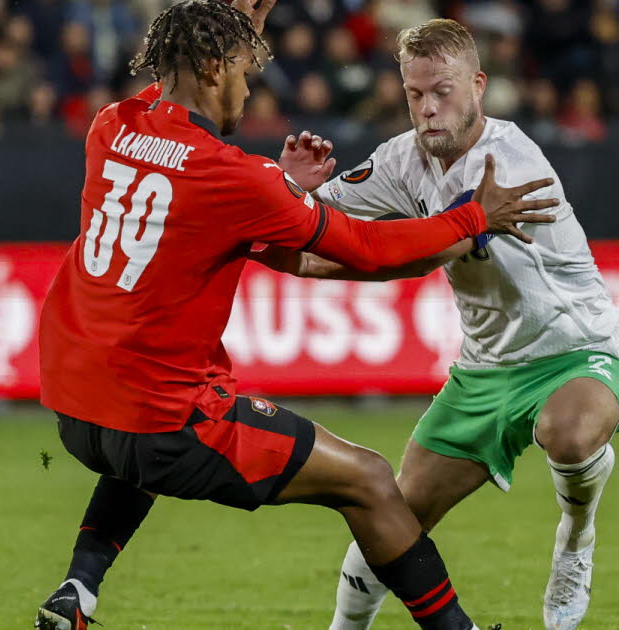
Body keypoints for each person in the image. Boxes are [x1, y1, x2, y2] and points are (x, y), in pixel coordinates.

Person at [32, 2, 558, 630]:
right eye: (243, 70)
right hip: (161, 424)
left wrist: (278, 179)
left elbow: (186, 195)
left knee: (135, 442)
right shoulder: (233, 177)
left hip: (73, 407)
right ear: (211, 66)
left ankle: (77, 590)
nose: (249, 88)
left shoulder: (111, 125)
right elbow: (363, 248)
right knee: (366, 478)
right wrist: (472, 217)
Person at [251, 18, 619, 630]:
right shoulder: (403, 159)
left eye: (443, 91)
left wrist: (314, 264)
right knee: (390, 520)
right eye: (415, 95)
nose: (428, 109)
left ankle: (576, 534)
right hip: (485, 369)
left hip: (577, 348)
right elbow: (315, 220)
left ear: (478, 85)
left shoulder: (506, 166)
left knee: (566, 435)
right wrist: (289, 188)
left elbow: (416, 254)